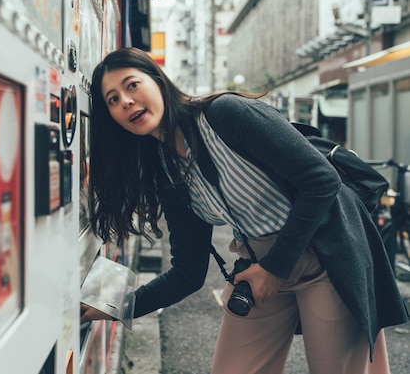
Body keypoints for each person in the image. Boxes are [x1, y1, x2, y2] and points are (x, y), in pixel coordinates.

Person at [79, 47, 409, 374]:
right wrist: (115, 305)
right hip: (257, 267)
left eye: (132, 85)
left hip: (326, 252)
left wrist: (275, 270)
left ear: (157, 80)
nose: (125, 101)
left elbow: (322, 181)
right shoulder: (165, 169)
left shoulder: (226, 113)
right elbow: (188, 272)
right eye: (112, 99)